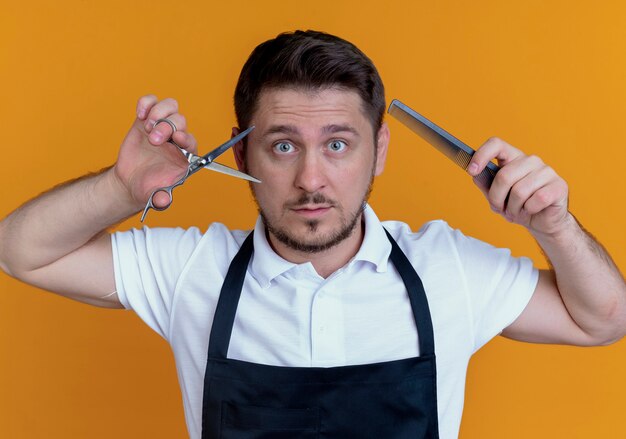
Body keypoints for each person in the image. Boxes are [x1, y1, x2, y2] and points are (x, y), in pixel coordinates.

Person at [0, 30, 624, 439]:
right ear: (241, 156)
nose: (311, 178)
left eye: (337, 143)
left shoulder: (447, 269)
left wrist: (555, 226)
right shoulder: (193, 269)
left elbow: (603, 320)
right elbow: (19, 251)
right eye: (282, 145)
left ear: (379, 150)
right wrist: (121, 187)